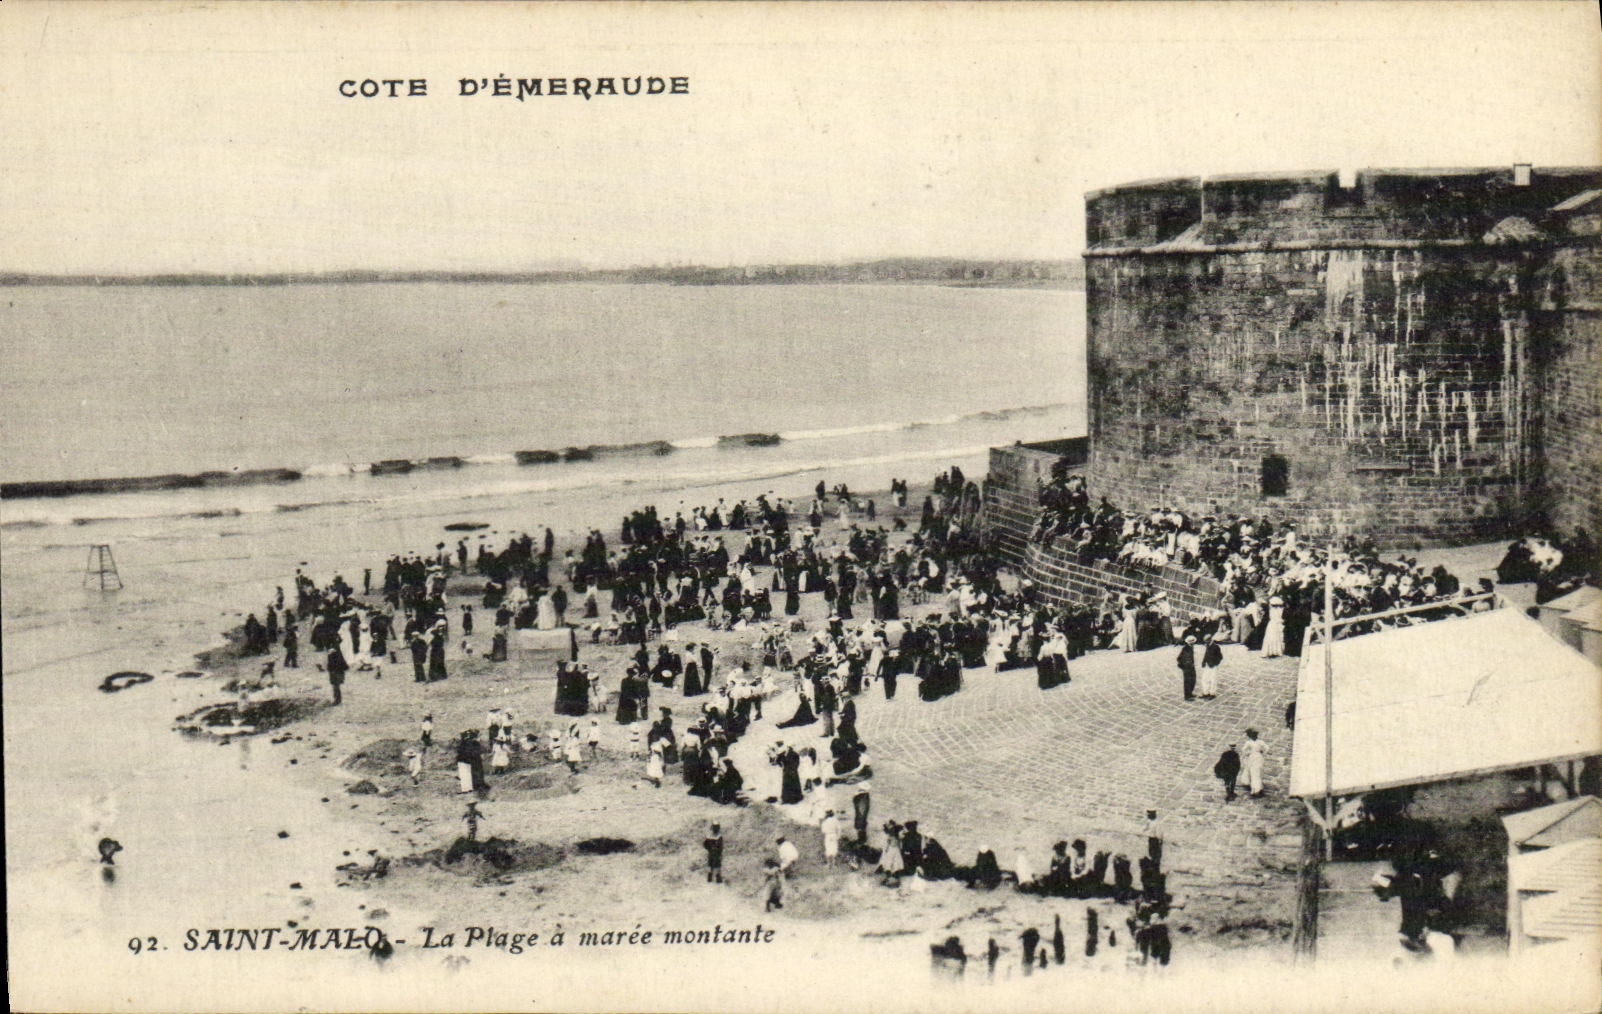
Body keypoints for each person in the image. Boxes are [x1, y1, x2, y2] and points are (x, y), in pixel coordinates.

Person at [1242, 728, 1266, 797]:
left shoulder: (1249, 742)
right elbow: (1267, 748)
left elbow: (1243, 750)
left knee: (1253, 773)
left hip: (1252, 758)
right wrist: (1262, 753)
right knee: (1257, 772)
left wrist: (1248, 753)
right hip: (1259, 758)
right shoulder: (1260, 742)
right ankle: (1257, 786)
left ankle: (1255, 789)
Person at [1199, 633, 1223, 698]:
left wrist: (1215, 663)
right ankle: (1205, 693)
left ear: (1209, 640)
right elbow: (1206, 655)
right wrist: (1203, 662)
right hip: (1207, 665)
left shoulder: (1216, 647)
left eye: (1206, 641)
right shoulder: (1207, 646)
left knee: (1213, 679)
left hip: (1213, 666)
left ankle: (1212, 694)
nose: (1205, 642)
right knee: (1205, 679)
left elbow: (1220, 657)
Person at [1177, 635, 1198, 701]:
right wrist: (1185, 664)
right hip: (1187, 667)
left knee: (1193, 679)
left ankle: (1190, 693)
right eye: (1192, 642)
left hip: (1191, 666)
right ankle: (1187, 696)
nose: (1193, 643)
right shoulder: (1186, 648)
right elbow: (1179, 658)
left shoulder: (1191, 647)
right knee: (1187, 681)